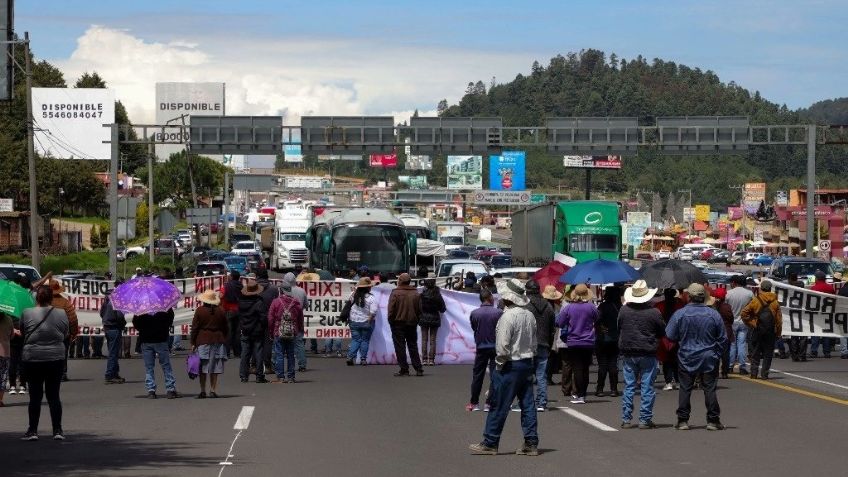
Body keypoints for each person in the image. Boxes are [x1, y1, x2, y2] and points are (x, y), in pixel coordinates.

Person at [469, 279, 538, 456]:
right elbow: (534, 343)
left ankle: (491, 441)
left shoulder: (507, 316)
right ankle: (531, 443)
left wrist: (499, 366)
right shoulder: (529, 315)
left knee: (498, 404)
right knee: (528, 404)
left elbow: (502, 347)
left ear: (507, 298)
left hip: (510, 364)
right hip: (527, 362)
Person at [666, 283, 727, 431]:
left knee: (685, 388)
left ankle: (682, 420)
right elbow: (723, 338)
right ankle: (713, 420)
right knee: (709, 388)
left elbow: (670, 335)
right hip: (708, 356)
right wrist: (716, 353)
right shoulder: (713, 314)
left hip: (687, 355)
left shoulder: (680, 314)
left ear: (689, 297)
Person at [20, 285, 69, 440]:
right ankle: (58, 430)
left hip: (33, 358)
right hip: (56, 357)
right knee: (54, 395)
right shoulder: (61, 313)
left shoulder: (27, 313)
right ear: (51, 298)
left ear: (36, 298)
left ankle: (33, 430)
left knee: (35, 396)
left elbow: (23, 332)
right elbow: (65, 332)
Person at [618, 280, 665, 429]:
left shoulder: (624, 310)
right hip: (648, 351)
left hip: (629, 350)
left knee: (629, 386)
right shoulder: (654, 312)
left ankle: (626, 418)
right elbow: (662, 331)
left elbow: (619, 326)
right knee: (647, 387)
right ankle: (644, 419)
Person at [556, 284, 598, 404]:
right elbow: (597, 319)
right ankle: (583, 393)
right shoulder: (591, 307)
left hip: (574, 341)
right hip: (589, 341)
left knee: (577, 368)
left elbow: (559, 322)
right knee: (585, 368)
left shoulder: (569, 308)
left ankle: (580, 395)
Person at [467, 289, 502, 412]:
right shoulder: (498, 313)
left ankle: (474, 402)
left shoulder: (474, 313)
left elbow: (473, 327)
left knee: (477, 375)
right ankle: (489, 403)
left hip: (481, 346)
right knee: (495, 375)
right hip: (495, 347)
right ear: (489, 298)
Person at [133, 308, 180, 399]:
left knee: (149, 367)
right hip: (161, 339)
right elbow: (170, 320)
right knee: (166, 366)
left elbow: (136, 323)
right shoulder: (164, 306)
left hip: (146, 340)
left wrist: (144, 329)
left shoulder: (141, 307)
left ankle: (151, 390)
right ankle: (170, 389)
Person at [523, 279, 555, 411]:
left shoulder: (525, 306)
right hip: (544, 343)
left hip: (528, 344)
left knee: (526, 374)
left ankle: (527, 402)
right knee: (541, 375)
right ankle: (541, 402)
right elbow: (552, 328)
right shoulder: (548, 306)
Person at [190, 290, 229, 398]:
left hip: (203, 340)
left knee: (202, 367)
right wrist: (224, 337)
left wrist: (193, 342)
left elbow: (195, 328)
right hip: (218, 340)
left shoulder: (199, 311)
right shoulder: (221, 310)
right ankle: (213, 390)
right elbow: (225, 327)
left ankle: (202, 390)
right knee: (215, 366)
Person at [740, 280, 782, 380]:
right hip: (770, 331)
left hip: (757, 329)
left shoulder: (756, 300)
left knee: (755, 352)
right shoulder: (775, 302)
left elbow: (744, 313)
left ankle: (753, 373)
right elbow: (779, 320)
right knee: (768, 353)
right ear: (770, 288)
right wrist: (778, 333)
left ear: (761, 288)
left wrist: (752, 323)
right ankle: (765, 374)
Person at [387, 273, 424, 377]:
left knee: (400, 347)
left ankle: (404, 369)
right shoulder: (416, 293)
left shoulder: (395, 292)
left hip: (398, 323)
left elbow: (391, 310)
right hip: (412, 323)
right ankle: (418, 368)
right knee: (413, 345)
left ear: (400, 281)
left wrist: (390, 321)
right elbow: (419, 310)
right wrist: (417, 319)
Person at [268, 282, 304, 383]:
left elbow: (270, 318)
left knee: (279, 354)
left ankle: (280, 377)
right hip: (292, 331)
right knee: (291, 354)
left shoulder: (276, 302)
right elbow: (300, 318)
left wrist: (271, 331)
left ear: (281, 291)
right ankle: (291, 376)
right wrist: (300, 329)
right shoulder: (296, 303)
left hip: (278, 330)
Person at [238, 279, 269, 383]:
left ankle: (243, 375)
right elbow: (263, 318)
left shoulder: (241, 302)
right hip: (257, 331)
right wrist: (263, 326)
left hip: (245, 329)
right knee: (258, 352)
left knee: (245, 353)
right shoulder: (259, 302)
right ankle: (259, 375)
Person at [595, 285, 622, 397]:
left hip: (603, 337)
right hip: (616, 337)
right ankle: (614, 389)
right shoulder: (620, 307)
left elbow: (596, 320)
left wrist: (600, 327)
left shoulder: (603, 306)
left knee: (602, 364)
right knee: (613, 364)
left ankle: (600, 388)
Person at [49, 280, 78, 382]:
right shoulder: (65, 302)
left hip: (46, 332)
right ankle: (62, 373)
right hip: (63, 333)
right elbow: (72, 319)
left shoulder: (42, 302)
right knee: (63, 353)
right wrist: (73, 333)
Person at [655, 288, 684, 390]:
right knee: (677, 359)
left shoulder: (659, 305)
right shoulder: (680, 305)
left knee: (666, 360)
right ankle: (678, 381)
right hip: (678, 335)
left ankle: (668, 382)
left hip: (664, 335)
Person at [100, 280, 127, 384]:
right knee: (113, 353)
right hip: (114, 327)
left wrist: (106, 321)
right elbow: (120, 316)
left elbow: (101, 312)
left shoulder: (108, 297)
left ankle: (114, 373)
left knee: (113, 351)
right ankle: (110, 374)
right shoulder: (117, 299)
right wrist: (122, 324)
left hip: (108, 326)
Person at [346, 277, 378, 366]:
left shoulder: (353, 294)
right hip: (366, 321)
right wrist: (369, 321)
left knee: (356, 340)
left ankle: (350, 357)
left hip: (353, 321)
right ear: (368, 288)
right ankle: (363, 359)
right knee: (365, 340)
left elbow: (348, 306)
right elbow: (373, 311)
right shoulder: (371, 298)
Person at [725, 275, 753, 375]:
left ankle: (730, 366)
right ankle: (742, 366)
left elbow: (725, 307)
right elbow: (753, 307)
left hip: (732, 322)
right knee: (741, 345)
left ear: (734, 282)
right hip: (744, 322)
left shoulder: (728, 293)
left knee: (732, 345)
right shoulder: (749, 294)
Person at [419, 278, 447, 366]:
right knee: (432, 340)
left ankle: (424, 359)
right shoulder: (438, 295)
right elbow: (443, 309)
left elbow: (418, 307)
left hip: (423, 318)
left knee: (424, 340)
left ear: (425, 285)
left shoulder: (422, 296)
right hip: (434, 318)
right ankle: (431, 360)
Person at [709, 287, 734, 379]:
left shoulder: (713, 307)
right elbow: (731, 319)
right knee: (725, 354)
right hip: (726, 331)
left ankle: (714, 372)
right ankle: (724, 372)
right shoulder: (727, 307)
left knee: (715, 353)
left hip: (715, 332)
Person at [809, 270, 835, 358]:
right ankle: (827, 352)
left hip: (816, 313)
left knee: (815, 332)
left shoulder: (813, 288)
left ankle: (814, 351)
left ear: (817, 278)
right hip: (827, 313)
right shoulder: (830, 288)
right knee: (826, 333)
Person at [542, 286, 563, 385]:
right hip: (553, 334)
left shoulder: (542, 306)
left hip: (542, 334)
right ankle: (548, 377)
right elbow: (559, 322)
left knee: (543, 357)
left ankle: (543, 377)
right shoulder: (557, 308)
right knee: (551, 357)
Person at [787, 272, 809, 361]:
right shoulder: (804, 291)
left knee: (794, 336)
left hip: (793, 315)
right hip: (803, 315)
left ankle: (795, 355)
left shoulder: (788, 290)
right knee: (804, 336)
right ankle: (802, 355)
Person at [221, 271, 242, 358]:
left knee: (228, 332)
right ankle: (237, 352)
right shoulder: (241, 286)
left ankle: (227, 353)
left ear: (232, 277)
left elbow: (221, 296)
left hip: (229, 311)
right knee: (237, 332)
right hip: (239, 311)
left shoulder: (226, 286)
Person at [0, 312, 12, 406]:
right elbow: (11, 335)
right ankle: (0, 399)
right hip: (5, 350)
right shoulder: (8, 319)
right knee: (3, 376)